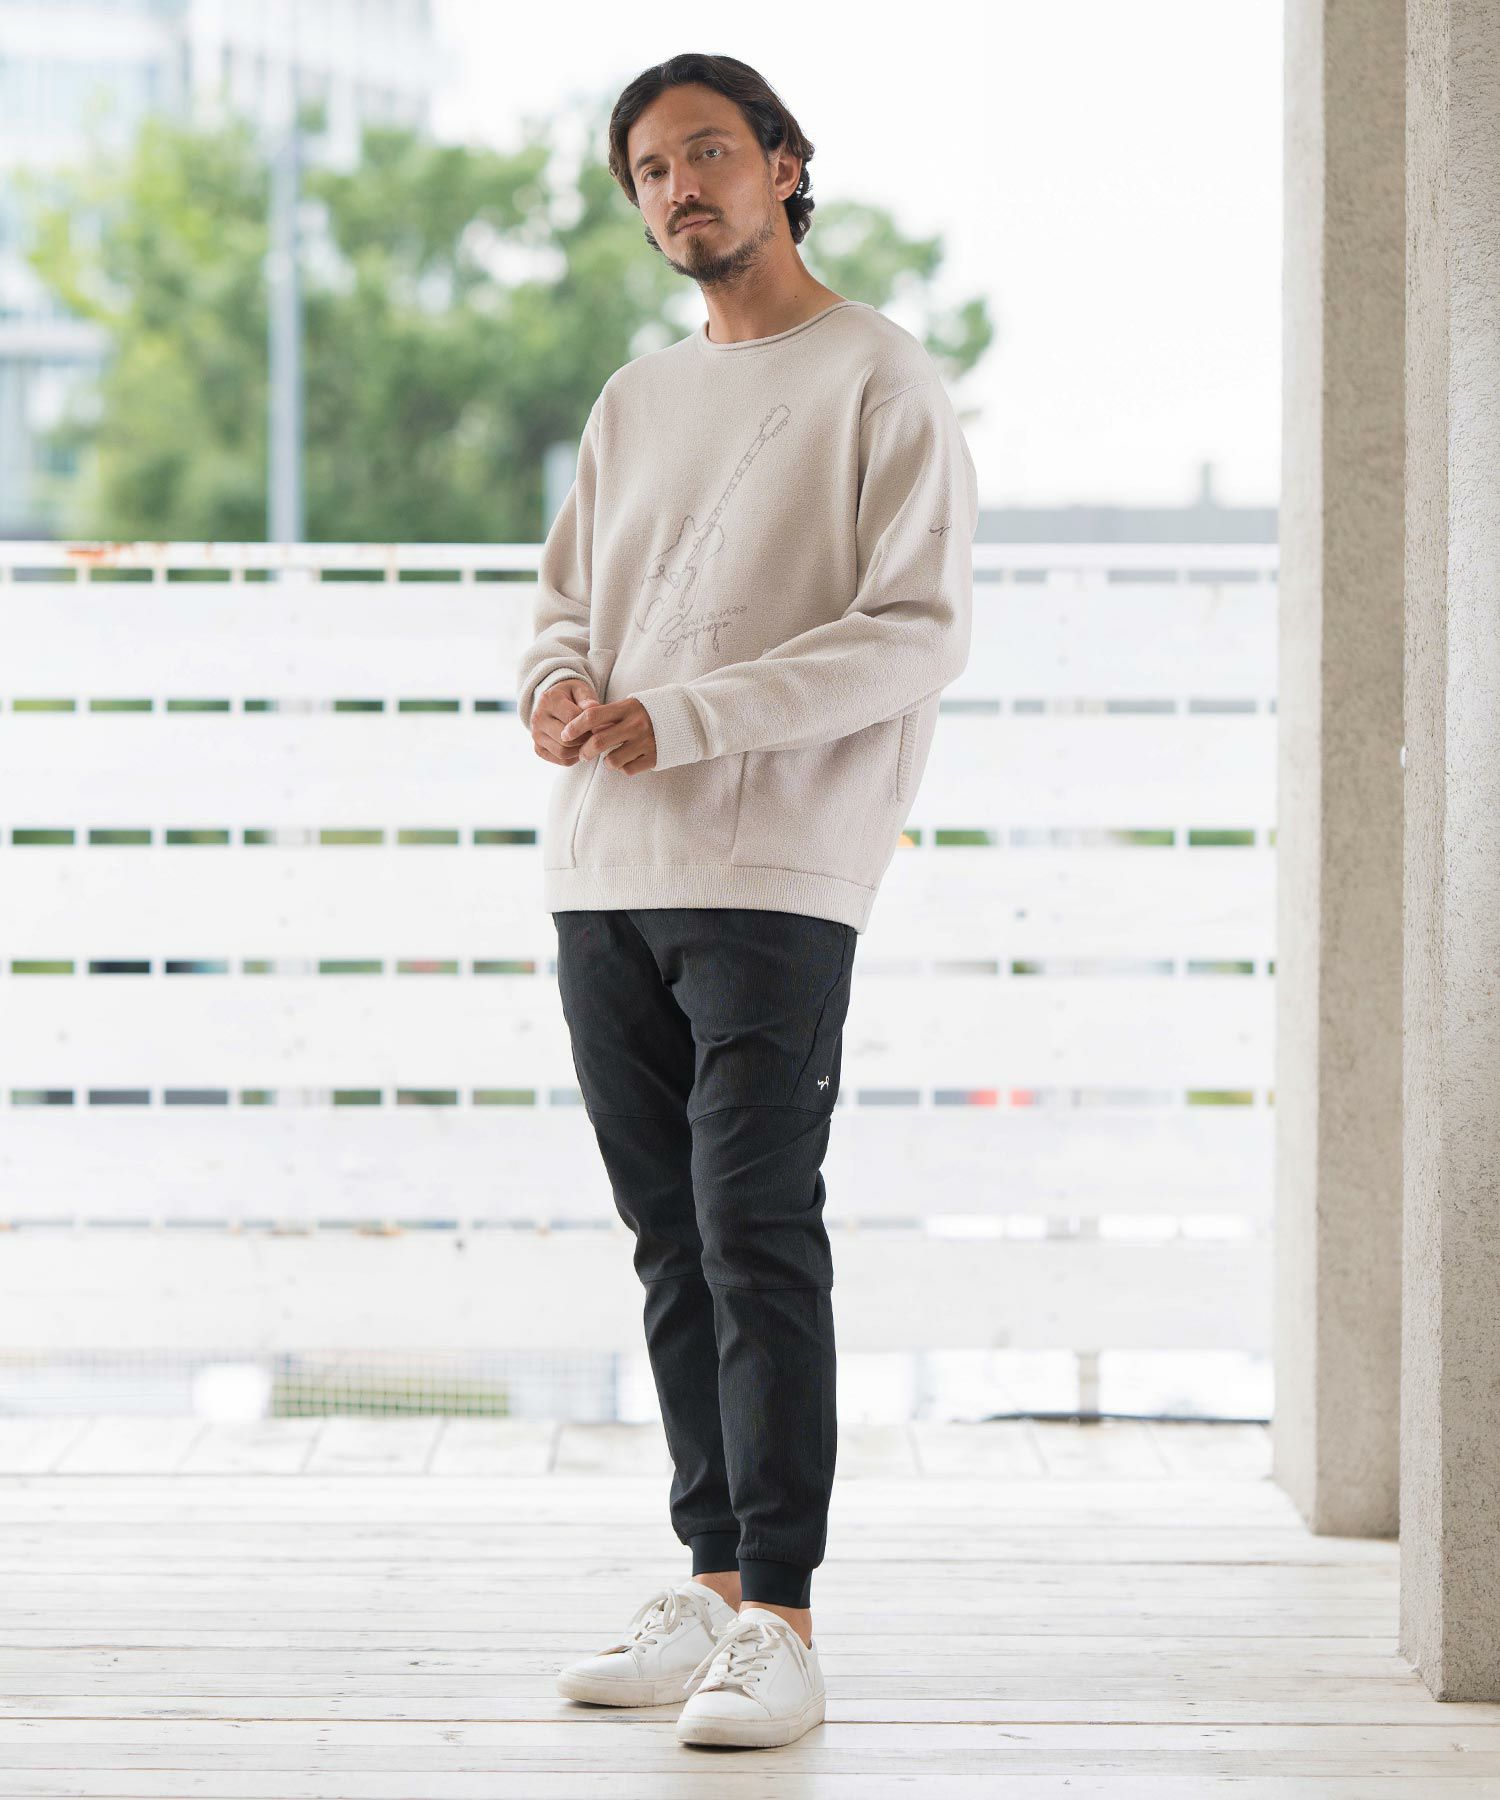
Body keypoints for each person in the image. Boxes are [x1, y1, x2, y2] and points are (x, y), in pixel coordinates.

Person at [517, 52, 977, 1751]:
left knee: (754, 1230)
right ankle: (710, 1585)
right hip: (605, 869)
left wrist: (691, 716)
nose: (679, 187)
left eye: (709, 151)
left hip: (776, 875)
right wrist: (559, 691)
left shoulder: (879, 376)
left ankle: (783, 1616)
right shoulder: (635, 400)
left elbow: (915, 630)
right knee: (670, 1241)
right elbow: (566, 606)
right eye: (650, 169)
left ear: (786, 165)